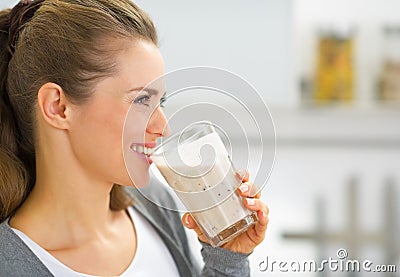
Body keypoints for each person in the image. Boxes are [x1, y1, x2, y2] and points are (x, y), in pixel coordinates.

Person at [0, 0, 269, 276]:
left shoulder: (151, 203)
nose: (163, 128)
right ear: (58, 106)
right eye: (142, 99)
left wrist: (227, 257)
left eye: (160, 101)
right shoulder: (10, 265)